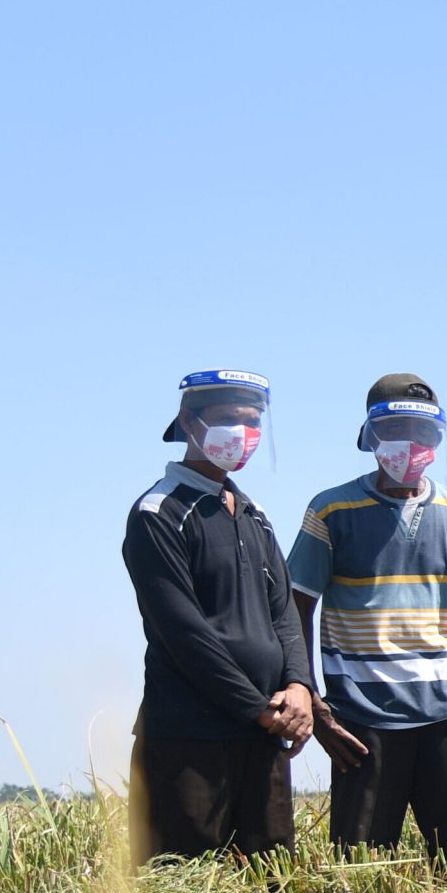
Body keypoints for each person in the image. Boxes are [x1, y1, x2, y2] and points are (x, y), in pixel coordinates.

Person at [286, 374, 447, 867]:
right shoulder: (331, 509)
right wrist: (314, 700)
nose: (410, 443)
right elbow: (297, 606)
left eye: (422, 431)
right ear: (371, 437)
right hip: (361, 715)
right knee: (362, 866)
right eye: (396, 429)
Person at [121, 369, 315, 861]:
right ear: (190, 422)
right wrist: (257, 707)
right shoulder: (158, 513)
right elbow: (183, 632)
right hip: (188, 738)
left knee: (271, 879)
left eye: (252, 422)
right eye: (229, 419)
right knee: (185, 883)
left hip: (264, 736)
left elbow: (284, 613)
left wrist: (298, 687)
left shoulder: (253, 514)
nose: (243, 433)